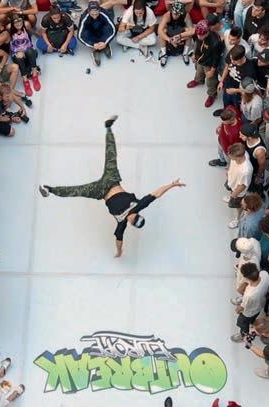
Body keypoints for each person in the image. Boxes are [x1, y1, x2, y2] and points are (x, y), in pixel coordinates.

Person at [39, 116, 185, 258]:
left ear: (132, 224)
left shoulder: (122, 223)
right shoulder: (139, 205)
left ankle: (49, 190)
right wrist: (172, 185)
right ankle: (108, 127)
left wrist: (119, 251)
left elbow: (119, 240)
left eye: (133, 222)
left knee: (76, 191)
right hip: (112, 180)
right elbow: (157, 194)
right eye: (136, 217)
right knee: (111, 155)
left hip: (100, 191)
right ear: (138, 215)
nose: (132, 218)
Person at [188, 19, 223, 108]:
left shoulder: (215, 42)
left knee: (210, 81)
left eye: (201, 35)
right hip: (200, 59)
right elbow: (197, 44)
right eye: (198, 34)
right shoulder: (198, 34)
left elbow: (216, 58)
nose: (199, 36)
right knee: (198, 72)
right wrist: (194, 55)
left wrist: (212, 71)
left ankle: (212, 94)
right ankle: (198, 80)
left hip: (209, 64)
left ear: (207, 32)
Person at [78, 1, 116, 67]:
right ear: (88, 11)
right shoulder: (84, 17)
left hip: (101, 31)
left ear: (99, 10)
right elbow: (79, 36)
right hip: (91, 33)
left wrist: (105, 42)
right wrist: (92, 44)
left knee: (108, 28)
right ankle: (96, 49)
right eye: (92, 14)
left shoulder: (104, 13)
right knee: (85, 33)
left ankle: (104, 44)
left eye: (96, 14)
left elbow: (113, 29)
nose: (94, 16)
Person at [156, 1, 193, 67]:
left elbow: (192, 31)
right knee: (163, 32)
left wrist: (180, 37)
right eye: (175, 14)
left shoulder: (186, 15)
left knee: (187, 31)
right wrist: (169, 39)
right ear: (171, 11)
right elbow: (159, 31)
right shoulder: (167, 16)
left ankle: (185, 53)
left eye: (179, 14)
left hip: (180, 33)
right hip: (170, 32)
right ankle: (164, 54)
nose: (177, 16)